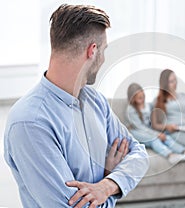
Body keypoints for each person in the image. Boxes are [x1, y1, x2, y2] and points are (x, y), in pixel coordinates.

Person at [4, 4, 149, 208]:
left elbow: (139, 153)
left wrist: (107, 185)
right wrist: (109, 177)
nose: (104, 58)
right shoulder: (30, 123)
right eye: (104, 50)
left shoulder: (96, 102)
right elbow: (71, 206)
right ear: (93, 50)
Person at [126, 83, 185, 165]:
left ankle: (184, 151)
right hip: (136, 133)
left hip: (148, 132)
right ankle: (170, 155)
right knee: (154, 139)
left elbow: (153, 122)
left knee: (165, 137)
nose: (142, 98)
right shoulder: (131, 110)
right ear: (132, 98)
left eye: (142, 95)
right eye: (138, 97)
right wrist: (157, 134)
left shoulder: (149, 106)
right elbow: (140, 128)